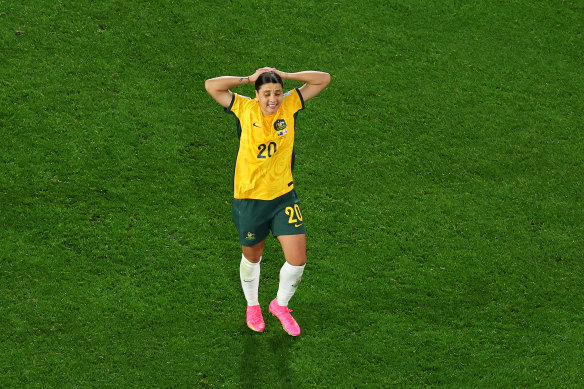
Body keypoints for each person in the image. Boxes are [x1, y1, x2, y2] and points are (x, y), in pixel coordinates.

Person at [204, 67, 330, 336]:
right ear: (256, 94)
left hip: (283, 196)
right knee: (253, 256)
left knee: (297, 260)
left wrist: (285, 75)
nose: (273, 100)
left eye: (276, 93)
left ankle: (280, 305)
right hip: (250, 199)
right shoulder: (244, 108)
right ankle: (253, 305)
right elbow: (212, 85)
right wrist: (249, 78)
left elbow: (323, 79)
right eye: (266, 94)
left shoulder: (290, 104)